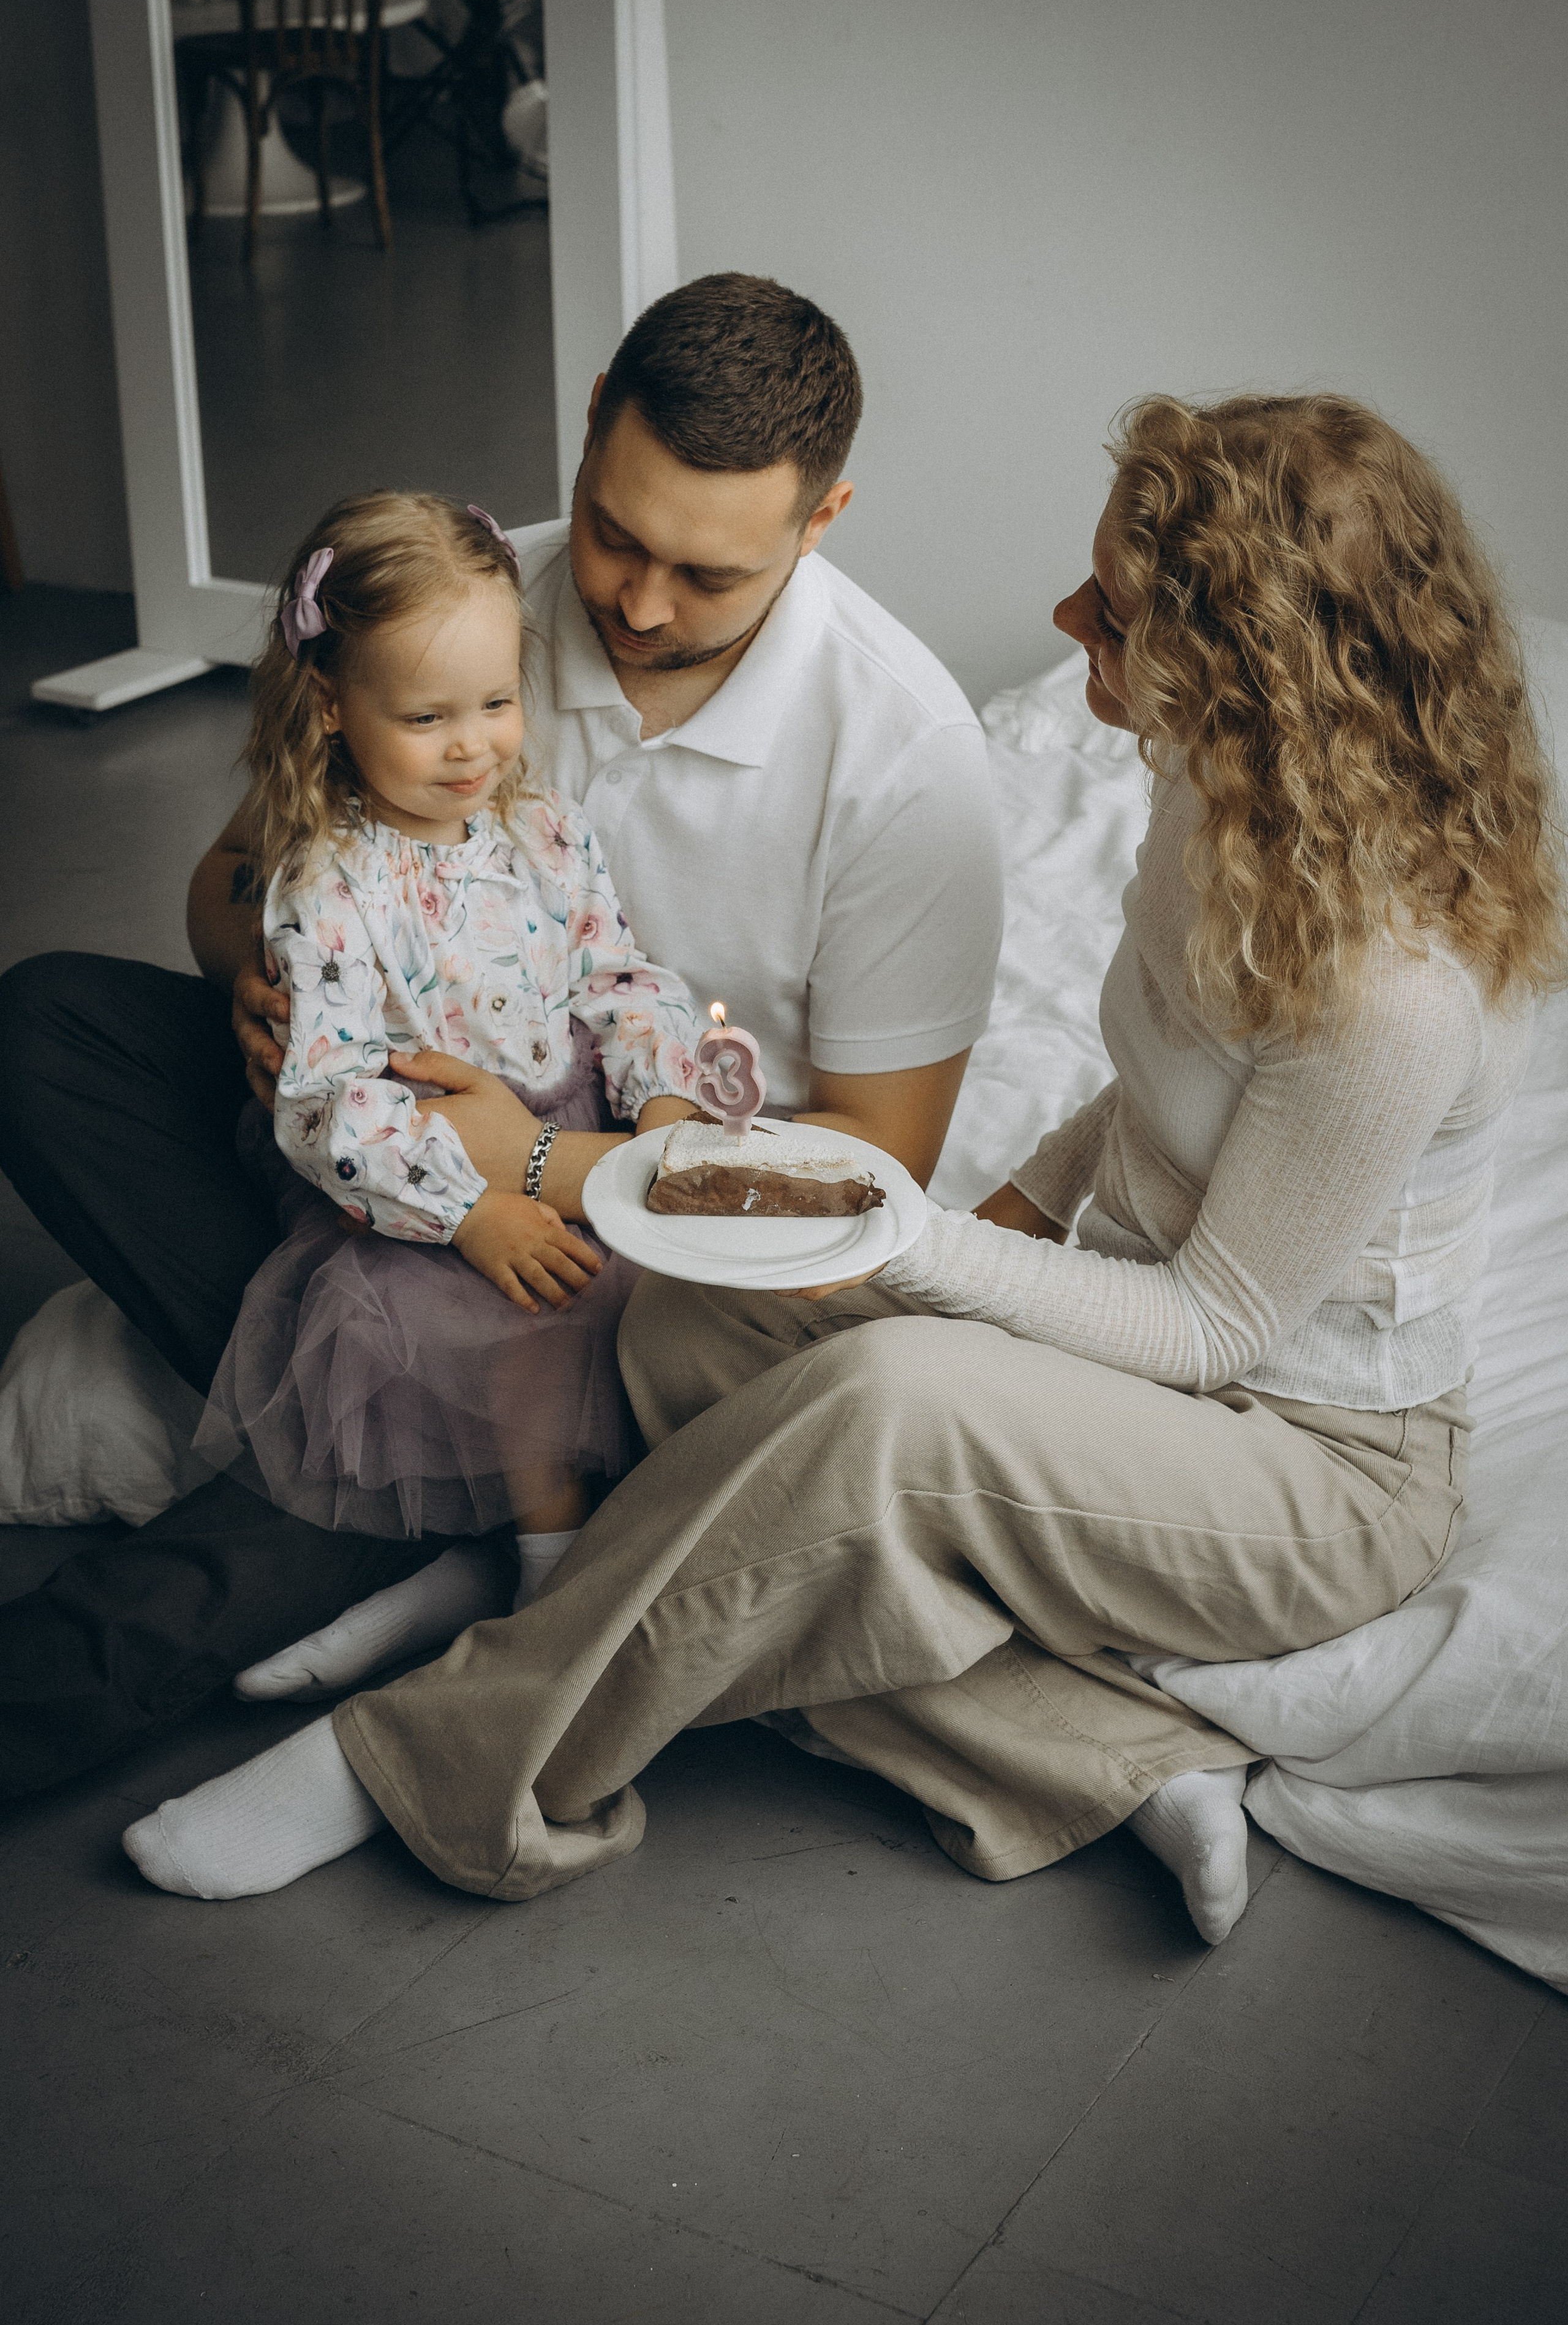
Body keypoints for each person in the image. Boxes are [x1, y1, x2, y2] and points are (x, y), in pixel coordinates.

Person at [124, 393, 1563, 1942]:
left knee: (883, 1404)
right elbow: (1145, 1100)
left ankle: (425, 1761)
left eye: (1117, 612)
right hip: (1143, 1330)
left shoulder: (1392, 991)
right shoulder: (1212, 799)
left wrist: (910, 1250)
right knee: (683, 1320)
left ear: (1246, 671)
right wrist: (990, 1228)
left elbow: (1217, 1333)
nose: (1064, 615)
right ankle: (1101, 1754)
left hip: (1307, 1463)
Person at [0, 274, 1000, 1795]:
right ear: (591, 418)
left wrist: (537, 1158)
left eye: (708, 574)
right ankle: (442, 1456)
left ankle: (369, 1477)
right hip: (375, 1159)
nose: (639, 602)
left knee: (348, 1417)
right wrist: (262, 989)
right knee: (46, 1024)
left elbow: (872, 1177)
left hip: (643, 1241)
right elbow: (234, 878)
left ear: (822, 517)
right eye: (615, 532)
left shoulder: (908, 763)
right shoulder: (462, 595)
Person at [194, 489, 707, 1705]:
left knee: (665, 1329)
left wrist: (660, 1106)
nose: (474, 746)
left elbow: (618, 977)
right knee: (524, 1337)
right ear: (332, 706)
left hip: (561, 1131)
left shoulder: (547, 834)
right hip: (409, 1182)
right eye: (426, 718)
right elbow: (328, 1100)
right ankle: (545, 1577)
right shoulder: (328, 885)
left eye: (495, 703)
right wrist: (471, 1212)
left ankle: (506, 1572)